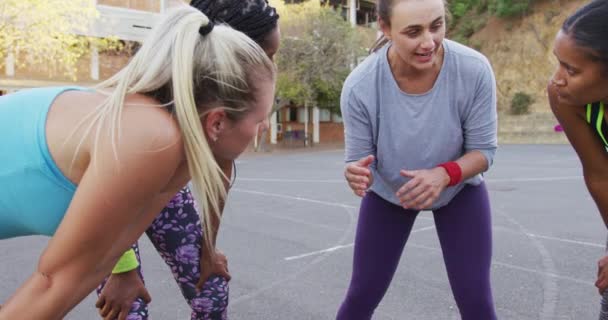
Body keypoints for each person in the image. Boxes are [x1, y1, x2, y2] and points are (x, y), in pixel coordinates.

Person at [0, 5, 275, 319]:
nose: (264, 128)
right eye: (261, 119)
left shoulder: (179, 153)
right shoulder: (152, 138)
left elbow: (94, 265)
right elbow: (53, 282)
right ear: (217, 123)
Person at [93, 1, 280, 319]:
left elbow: (220, 173)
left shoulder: (221, 104)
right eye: (266, 56)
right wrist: (121, 269)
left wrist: (208, 248)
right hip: (104, 201)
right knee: (128, 307)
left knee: (212, 287)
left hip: (161, 190)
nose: (271, 67)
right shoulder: (146, 110)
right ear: (226, 51)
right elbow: (100, 192)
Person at [336, 0, 498, 319]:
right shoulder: (360, 86)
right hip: (390, 194)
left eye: (436, 26)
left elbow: (484, 152)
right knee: (361, 296)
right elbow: (358, 161)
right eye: (413, 32)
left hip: (458, 190)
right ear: (384, 28)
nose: (428, 42)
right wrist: (355, 174)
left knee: (476, 300)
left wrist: (444, 174)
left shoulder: (474, 68)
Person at [547, 1, 608, 318]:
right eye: (559, 63)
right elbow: (600, 175)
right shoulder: (563, 97)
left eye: (571, 70)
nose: (558, 78)